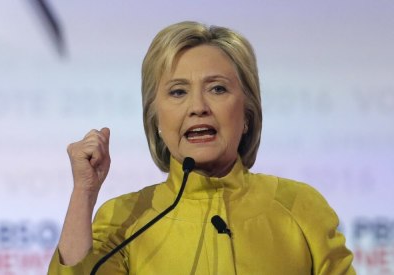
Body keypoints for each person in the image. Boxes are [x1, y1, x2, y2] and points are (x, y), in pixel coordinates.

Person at [48, 21, 355, 274]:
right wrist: (84, 193)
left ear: (247, 112)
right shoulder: (125, 218)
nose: (198, 107)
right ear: (155, 118)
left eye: (217, 88)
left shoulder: (300, 206)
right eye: (178, 91)